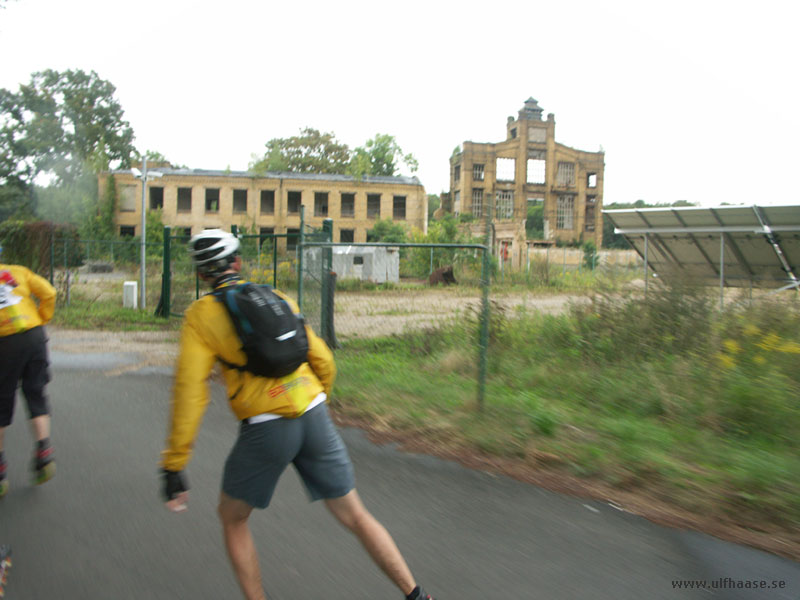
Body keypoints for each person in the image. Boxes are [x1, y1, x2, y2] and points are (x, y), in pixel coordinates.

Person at [160, 229, 434, 600]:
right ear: (238, 263)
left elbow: (190, 390)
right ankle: (416, 595)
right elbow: (322, 357)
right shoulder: (276, 296)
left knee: (233, 518)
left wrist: (175, 462)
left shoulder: (200, 316)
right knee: (355, 515)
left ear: (201, 275)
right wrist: (318, 399)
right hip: (314, 412)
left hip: (266, 428)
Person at [0, 245, 57, 498]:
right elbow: (49, 293)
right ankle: (43, 451)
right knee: (35, 393)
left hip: (4, 342)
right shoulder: (17, 271)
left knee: (1, 403)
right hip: (34, 336)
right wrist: (42, 318)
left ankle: (0, 471)